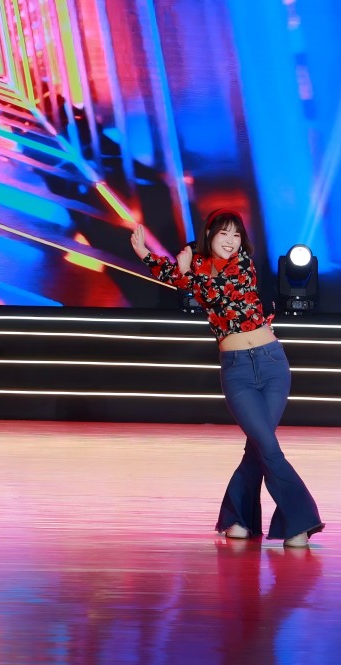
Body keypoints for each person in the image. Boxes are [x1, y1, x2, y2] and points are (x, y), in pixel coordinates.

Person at [132, 210, 322, 546]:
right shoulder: (197, 266)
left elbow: (217, 292)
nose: (231, 241)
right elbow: (177, 278)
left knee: (262, 446)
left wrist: (185, 271)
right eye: (224, 234)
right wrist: (145, 253)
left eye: (236, 235)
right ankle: (287, 521)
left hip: (272, 364)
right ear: (209, 235)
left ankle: (252, 520)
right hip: (236, 371)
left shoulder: (242, 264)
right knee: (263, 446)